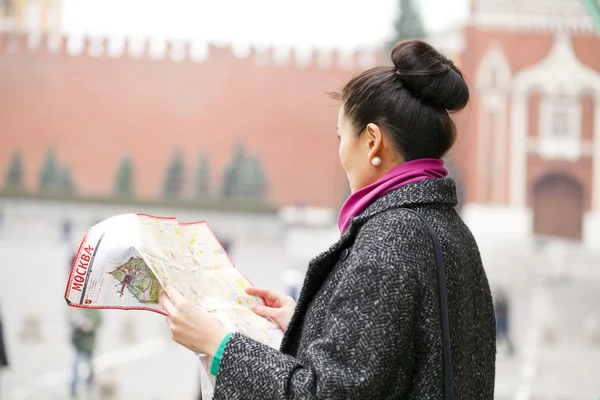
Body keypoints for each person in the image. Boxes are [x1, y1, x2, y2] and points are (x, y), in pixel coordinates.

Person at [160, 39, 496, 399]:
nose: (339, 151)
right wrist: (310, 322)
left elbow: (326, 394)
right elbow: (400, 357)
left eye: (341, 136)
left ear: (371, 142)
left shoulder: (389, 242)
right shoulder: (449, 230)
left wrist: (218, 346)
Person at [68, 308, 102, 399]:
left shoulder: (94, 310)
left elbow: (99, 321)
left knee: (90, 366)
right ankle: (74, 388)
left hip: (89, 343)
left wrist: (90, 325)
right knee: (76, 365)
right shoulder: (78, 308)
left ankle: (89, 385)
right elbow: (71, 320)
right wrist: (78, 324)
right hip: (79, 342)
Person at [494, 288, 515, 356]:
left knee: (505, 337)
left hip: (503, 323)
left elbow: (505, 312)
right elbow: (496, 311)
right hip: (499, 323)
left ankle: (511, 349)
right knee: (498, 337)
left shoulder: (504, 304)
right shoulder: (498, 304)